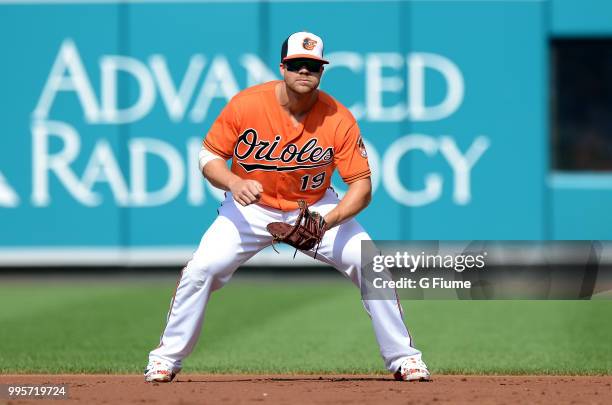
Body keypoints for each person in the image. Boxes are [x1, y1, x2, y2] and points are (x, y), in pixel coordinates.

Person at [144, 31, 430, 383]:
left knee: (370, 263)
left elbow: (362, 187)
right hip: (251, 208)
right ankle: (165, 359)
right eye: (297, 65)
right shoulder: (247, 104)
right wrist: (234, 182)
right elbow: (209, 156)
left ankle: (405, 359)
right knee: (202, 268)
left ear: (322, 71)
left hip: (314, 207)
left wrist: (327, 221)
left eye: (313, 66)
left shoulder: (338, 117)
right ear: (283, 67)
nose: (304, 72)